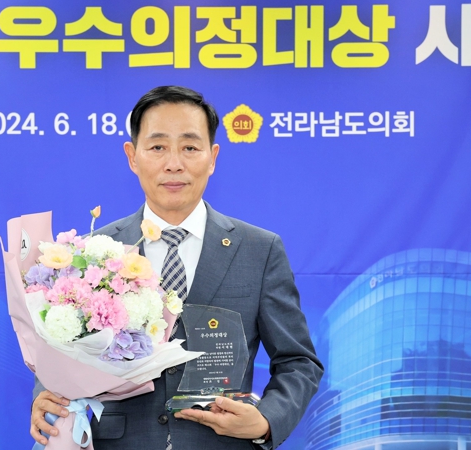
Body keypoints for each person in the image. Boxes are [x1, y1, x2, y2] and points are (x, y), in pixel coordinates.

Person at [31, 86, 323, 449]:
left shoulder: (259, 250)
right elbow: (61, 348)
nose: (174, 164)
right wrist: (46, 393)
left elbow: (298, 361)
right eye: (157, 147)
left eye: (190, 147)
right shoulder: (94, 251)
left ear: (212, 157)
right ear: (132, 156)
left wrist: (266, 420)